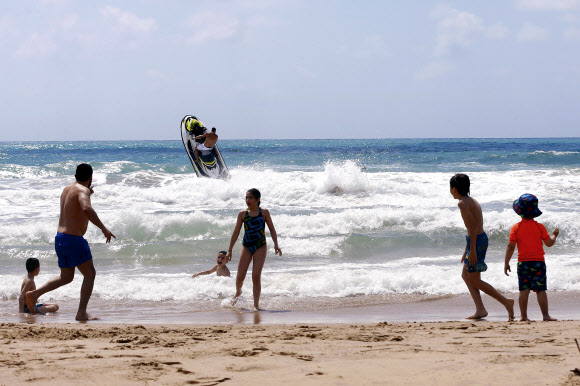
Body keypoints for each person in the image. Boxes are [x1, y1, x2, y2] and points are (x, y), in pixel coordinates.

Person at [25, 163, 115, 321]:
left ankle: (34, 294)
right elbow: (86, 208)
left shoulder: (67, 189)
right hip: (74, 239)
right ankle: (81, 313)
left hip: (60, 237)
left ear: (75, 176)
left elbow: (75, 207)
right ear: (90, 177)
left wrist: (88, 193)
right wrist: (104, 228)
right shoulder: (83, 190)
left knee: (66, 277)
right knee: (90, 274)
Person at [450, 173, 514, 320]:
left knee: (474, 280)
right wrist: (467, 249)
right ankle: (480, 309)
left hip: (477, 241)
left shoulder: (462, 203)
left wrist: (472, 250)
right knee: (466, 276)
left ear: (454, 188)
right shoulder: (470, 200)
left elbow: (473, 227)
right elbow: (472, 228)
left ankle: (506, 302)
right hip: (477, 240)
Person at [504, 193, 559, 321]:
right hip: (538, 263)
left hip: (523, 263)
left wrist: (506, 263)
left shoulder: (516, 228)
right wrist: (554, 235)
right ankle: (545, 316)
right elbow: (549, 243)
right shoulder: (539, 227)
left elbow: (510, 247)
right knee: (540, 290)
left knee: (524, 290)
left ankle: (523, 316)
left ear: (519, 211)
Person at [225, 188, 282, 311]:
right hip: (247, 246)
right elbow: (236, 233)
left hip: (260, 246)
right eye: (246, 197)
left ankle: (256, 305)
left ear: (257, 199)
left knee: (256, 276)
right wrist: (229, 250)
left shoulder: (264, 212)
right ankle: (238, 293)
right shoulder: (242, 214)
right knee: (240, 276)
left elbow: (272, 229)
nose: (247, 200)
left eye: (250, 198)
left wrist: (276, 244)